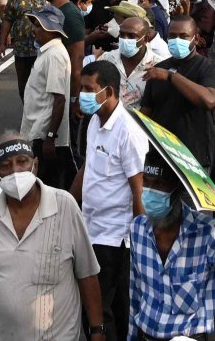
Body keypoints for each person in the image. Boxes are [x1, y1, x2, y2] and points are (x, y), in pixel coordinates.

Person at [0, 135, 106, 341]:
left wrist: (97, 330)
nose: (15, 171)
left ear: (35, 165)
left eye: (22, 161)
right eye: (5, 166)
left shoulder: (64, 205)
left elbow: (87, 274)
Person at [128, 154, 215, 341]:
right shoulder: (138, 229)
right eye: (146, 182)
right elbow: (135, 294)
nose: (149, 191)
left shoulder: (208, 233)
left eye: (159, 184)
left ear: (178, 189)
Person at [73, 58, 149, 341]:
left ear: (109, 91)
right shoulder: (95, 121)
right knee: (95, 307)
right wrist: (68, 204)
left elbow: (138, 188)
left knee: (104, 310)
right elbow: (89, 166)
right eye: (82, 88)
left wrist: (140, 242)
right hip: (90, 228)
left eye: (89, 89)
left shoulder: (128, 132)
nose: (83, 95)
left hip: (114, 237)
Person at [140, 13, 215, 170]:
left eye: (184, 36)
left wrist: (171, 76)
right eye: (172, 36)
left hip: (193, 157)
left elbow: (209, 101)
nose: (177, 40)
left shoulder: (207, 67)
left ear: (196, 39)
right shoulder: (158, 69)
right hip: (160, 154)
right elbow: (146, 112)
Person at [20, 4, 74, 189]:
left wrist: (50, 137)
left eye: (38, 25)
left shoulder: (54, 56)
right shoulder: (48, 52)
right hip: (38, 132)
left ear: (50, 28)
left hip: (43, 136)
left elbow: (59, 100)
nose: (34, 30)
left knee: (45, 187)